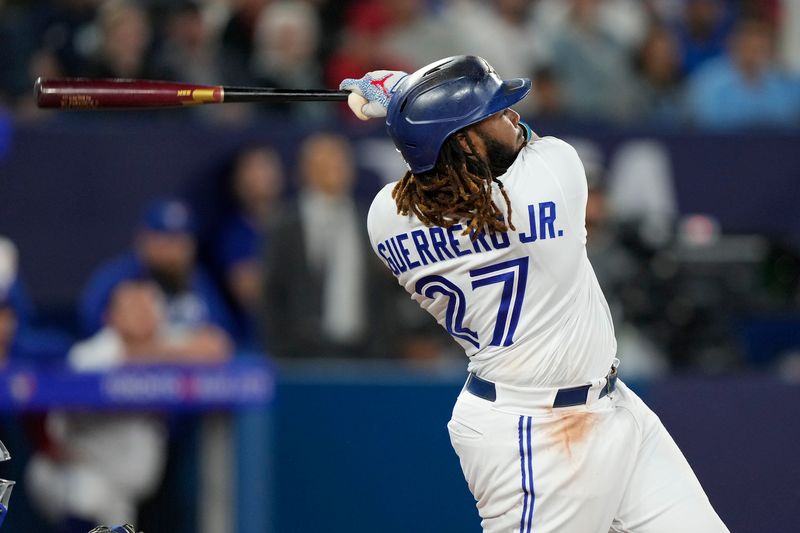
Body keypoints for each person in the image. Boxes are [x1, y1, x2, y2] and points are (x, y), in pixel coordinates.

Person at [339, 56, 728, 532]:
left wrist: (411, 109)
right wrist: (403, 93)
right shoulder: (554, 174)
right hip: (534, 435)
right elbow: (522, 152)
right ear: (464, 142)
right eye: (497, 114)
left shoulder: (385, 219)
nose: (515, 117)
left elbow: (430, 171)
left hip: (604, 407)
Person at [26, 280, 229, 533]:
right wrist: (156, 359)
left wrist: (158, 354)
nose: (144, 316)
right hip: (77, 469)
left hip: (127, 484)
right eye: (134, 308)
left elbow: (216, 347)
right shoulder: (91, 355)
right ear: (111, 317)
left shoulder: (164, 344)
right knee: (87, 496)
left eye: (149, 308)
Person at [79, 198, 234, 338]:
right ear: (143, 239)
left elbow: (222, 335)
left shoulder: (198, 281)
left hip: (190, 368)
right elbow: (98, 334)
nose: (174, 251)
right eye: (165, 240)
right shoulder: (116, 279)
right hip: (128, 368)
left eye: (181, 241)